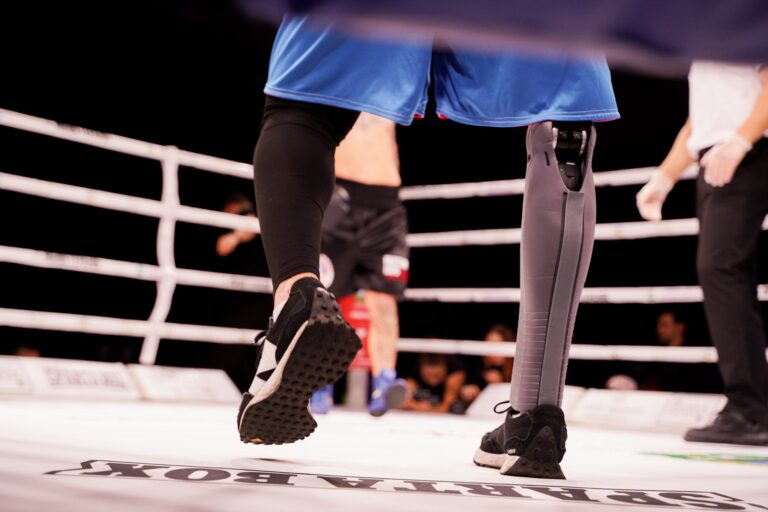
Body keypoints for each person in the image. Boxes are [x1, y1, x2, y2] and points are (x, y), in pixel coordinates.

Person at [237, 16, 618, 479]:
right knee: (564, 121)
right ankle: (536, 419)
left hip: (376, 195)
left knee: (304, 104)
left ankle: (294, 299)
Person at [636, 61, 768, 446]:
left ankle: (750, 409)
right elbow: (702, 120)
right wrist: (665, 176)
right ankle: (751, 406)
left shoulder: (745, 26)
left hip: (749, 150)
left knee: (721, 269)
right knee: (725, 273)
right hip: (719, 155)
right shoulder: (704, 44)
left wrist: (740, 142)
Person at [309, 112, 410, 417]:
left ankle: (384, 383)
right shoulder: (336, 87)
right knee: (326, 297)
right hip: (341, 198)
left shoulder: (395, 92)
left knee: (385, 299)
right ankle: (319, 381)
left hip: (387, 207)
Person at [459, 324, 516, 407]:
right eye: (490, 345)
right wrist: (470, 391)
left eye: (498, 345)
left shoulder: (517, 372)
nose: (493, 350)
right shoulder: (481, 369)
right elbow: (473, 389)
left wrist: (501, 385)